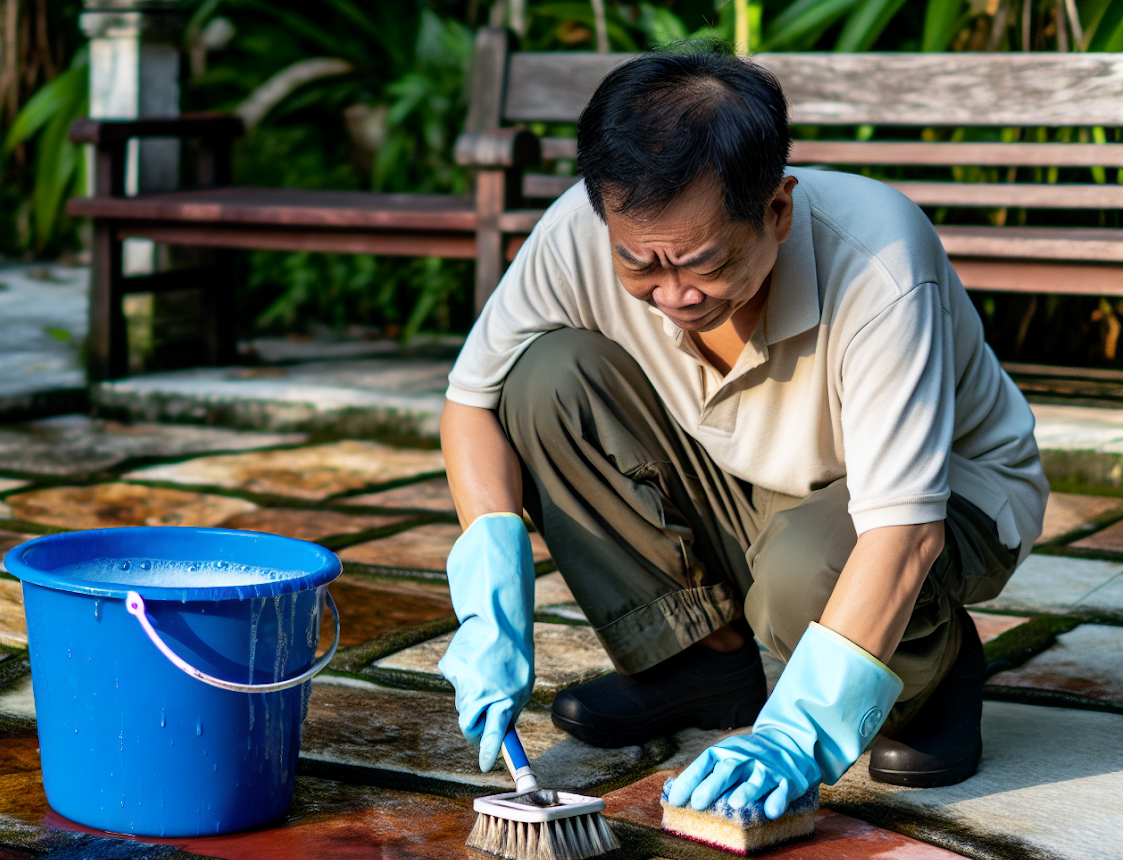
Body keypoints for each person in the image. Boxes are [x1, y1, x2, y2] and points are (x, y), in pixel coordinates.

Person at [436, 39, 1046, 818]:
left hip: (942, 507)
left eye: (703, 264)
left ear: (777, 209)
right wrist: (489, 595)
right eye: (641, 267)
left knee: (803, 569)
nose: (674, 295)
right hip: (751, 473)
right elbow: (470, 403)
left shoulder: (880, 261)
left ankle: (932, 673)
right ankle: (703, 662)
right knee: (543, 378)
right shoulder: (584, 233)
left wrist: (800, 731)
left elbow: (903, 531)